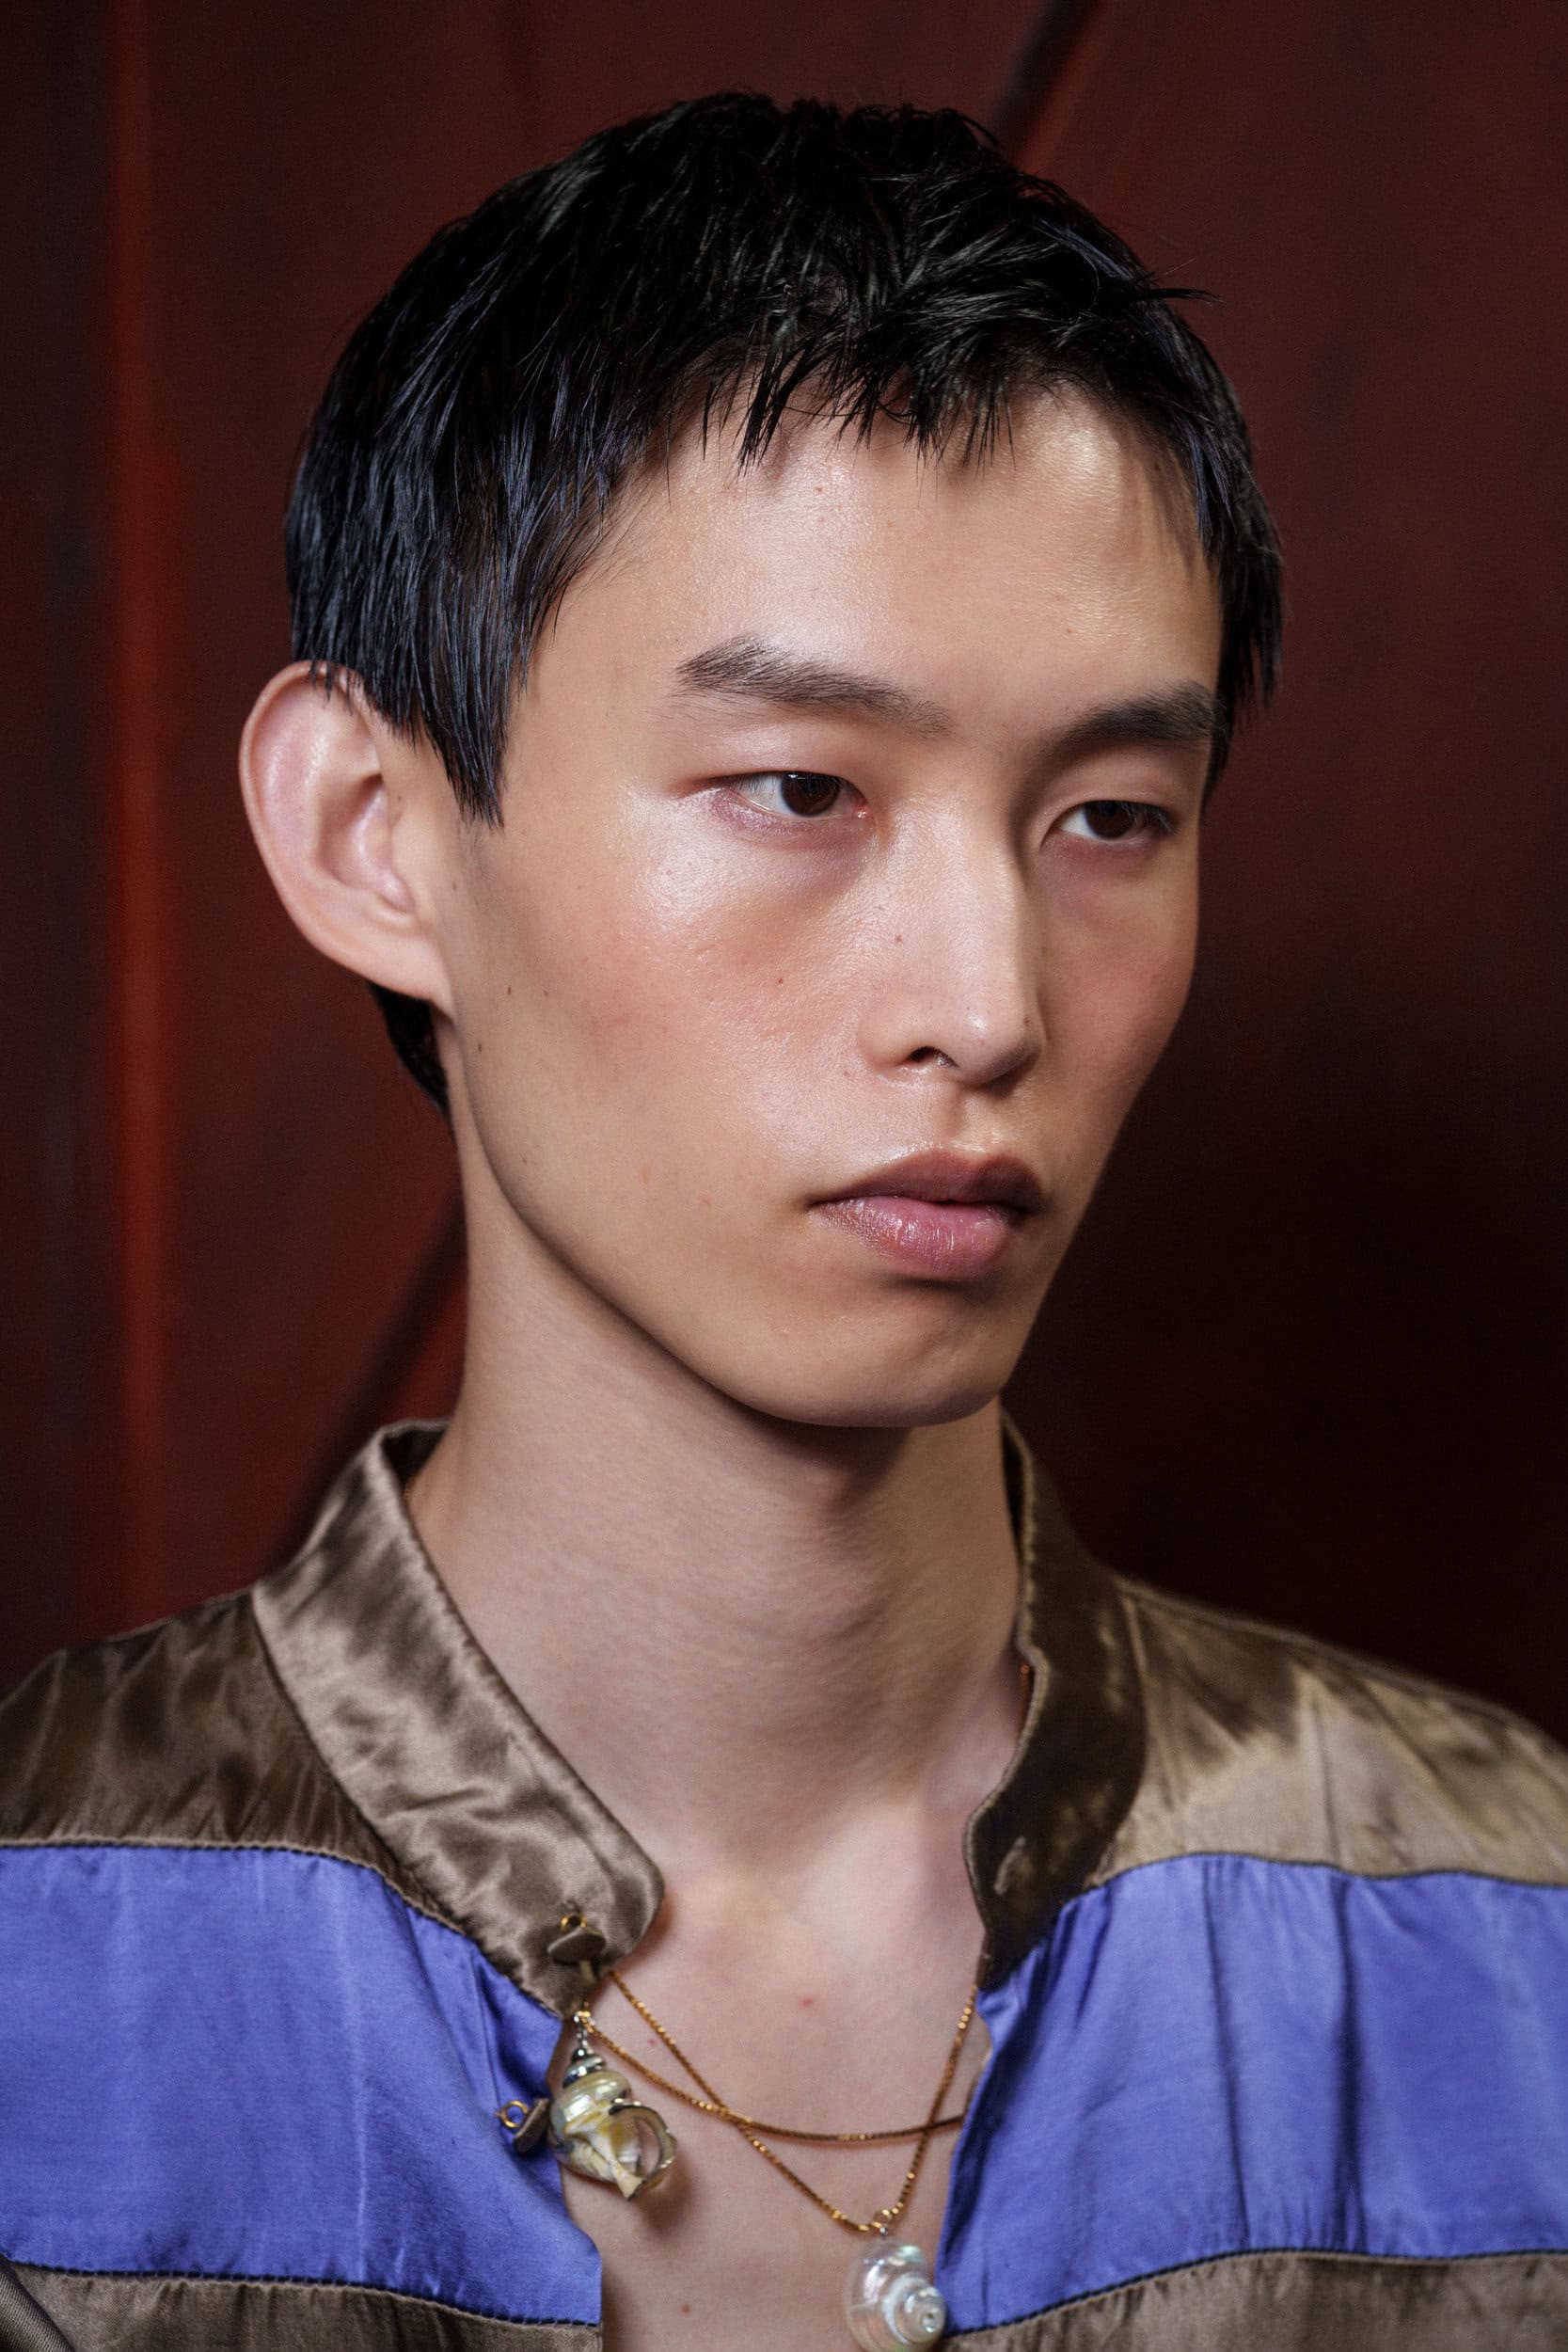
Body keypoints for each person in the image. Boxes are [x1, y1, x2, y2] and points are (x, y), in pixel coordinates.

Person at [2, 90, 1565, 2352]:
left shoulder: (1503, 1929)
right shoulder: (49, 1945)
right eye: (803, 787)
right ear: (372, 830)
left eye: (1112, 815)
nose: (988, 1004)